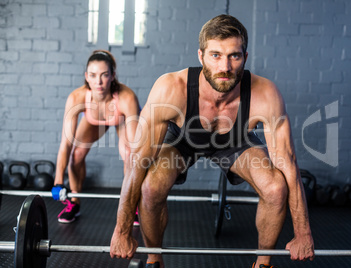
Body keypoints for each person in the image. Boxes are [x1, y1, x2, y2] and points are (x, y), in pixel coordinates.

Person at [110, 15, 314, 268]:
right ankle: (154, 259)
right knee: (151, 187)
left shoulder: (266, 94)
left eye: (234, 56)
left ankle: (263, 263)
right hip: (182, 141)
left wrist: (303, 234)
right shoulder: (171, 88)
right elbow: (137, 161)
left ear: (245, 58)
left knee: (275, 188)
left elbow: (288, 163)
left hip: (235, 141)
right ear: (201, 56)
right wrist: (122, 230)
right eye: (215, 55)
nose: (225, 66)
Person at [53, 50, 140, 224]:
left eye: (104, 75)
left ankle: (133, 205)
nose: (98, 82)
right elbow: (66, 143)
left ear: (113, 75)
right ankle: (74, 202)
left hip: (120, 118)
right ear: (86, 76)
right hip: (93, 120)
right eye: (92, 75)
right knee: (75, 155)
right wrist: (58, 181)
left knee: (130, 155)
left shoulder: (127, 97)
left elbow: (137, 148)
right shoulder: (76, 97)